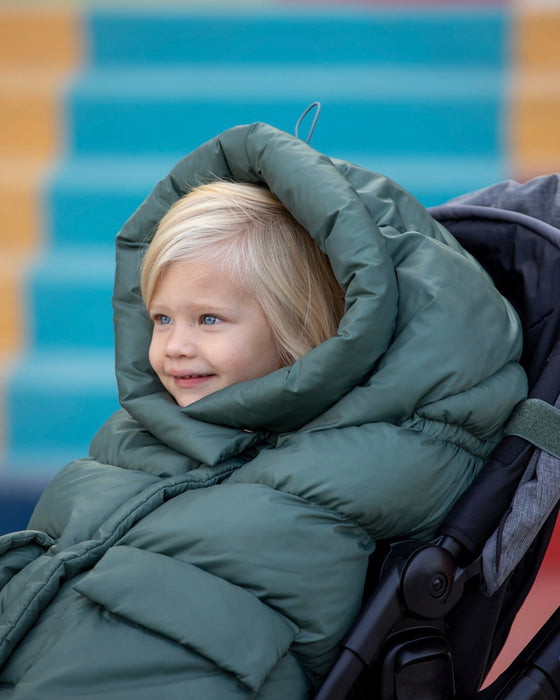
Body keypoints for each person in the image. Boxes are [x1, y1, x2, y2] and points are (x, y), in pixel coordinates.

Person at [0, 123, 527, 699]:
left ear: (297, 329)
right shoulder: (140, 435)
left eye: (208, 319)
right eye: (161, 318)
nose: (174, 345)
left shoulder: (368, 458)